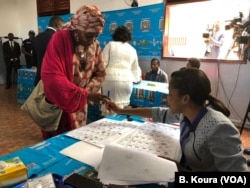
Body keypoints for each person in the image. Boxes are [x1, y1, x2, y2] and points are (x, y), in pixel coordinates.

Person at [107, 68, 248, 172]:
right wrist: (120, 110)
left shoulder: (218, 128)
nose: (167, 99)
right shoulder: (187, 113)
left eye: (170, 94)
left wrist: (182, 172)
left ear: (185, 98)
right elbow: (157, 113)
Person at [40, 5, 110, 139]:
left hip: (80, 108)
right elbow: (52, 77)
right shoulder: (60, 39)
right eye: (89, 36)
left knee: (76, 142)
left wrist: (87, 93)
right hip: (60, 107)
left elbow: (100, 73)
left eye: (96, 36)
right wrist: (84, 95)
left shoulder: (94, 45)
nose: (92, 41)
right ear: (77, 29)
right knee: (59, 146)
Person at [101, 26, 142, 110]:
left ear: (115, 35)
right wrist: (137, 79)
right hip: (126, 81)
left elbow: (102, 64)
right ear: (129, 36)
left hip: (110, 80)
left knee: (109, 107)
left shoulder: (110, 45)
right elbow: (135, 69)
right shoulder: (132, 49)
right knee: (122, 109)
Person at [32, 16, 65, 86]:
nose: (63, 29)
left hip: (39, 78)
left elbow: (34, 59)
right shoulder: (58, 37)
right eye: (62, 26)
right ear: (57, 25)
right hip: (54, 79)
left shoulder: (37, 37)